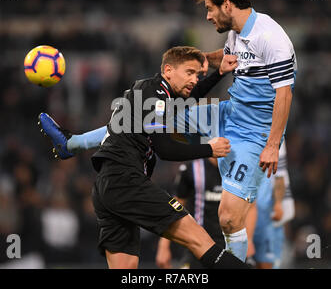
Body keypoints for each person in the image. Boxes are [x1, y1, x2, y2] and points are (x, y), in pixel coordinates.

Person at [39, 46, 248, 269]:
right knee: (200, 240)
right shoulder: (155, 94)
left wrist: (219, 73)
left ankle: (71, 144)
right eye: (189, 73)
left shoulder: (152, 93)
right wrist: (209, 149)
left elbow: (188, 99)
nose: (195, 80)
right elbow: (165, 149)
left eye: (197, 75)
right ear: (168, 70)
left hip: (107, 187)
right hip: (126, 180)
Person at [180, 0, 297, 262]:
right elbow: (230, 55)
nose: (208, 16)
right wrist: (201, 59)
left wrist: (271, 145)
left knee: (229, 219)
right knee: (153, 116)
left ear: (227, 5)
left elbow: (285, 94)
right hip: (228, 113)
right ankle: (74, 143)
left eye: (209, 9)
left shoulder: (271, 37)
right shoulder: (238, 33)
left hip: (253, 134)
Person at [156, 157, 225, 269]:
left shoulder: (239, 169)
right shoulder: (191, 168)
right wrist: (163, 246)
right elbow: (176, 207)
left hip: (230, 243)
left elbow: (250, 207)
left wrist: (249, 241)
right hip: (197, 243)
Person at [249, 141, 295, 269]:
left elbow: (280, 174)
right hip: (243, 210)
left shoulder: (278, 137)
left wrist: (279, 203)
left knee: (267, 263)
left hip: (266, 215)